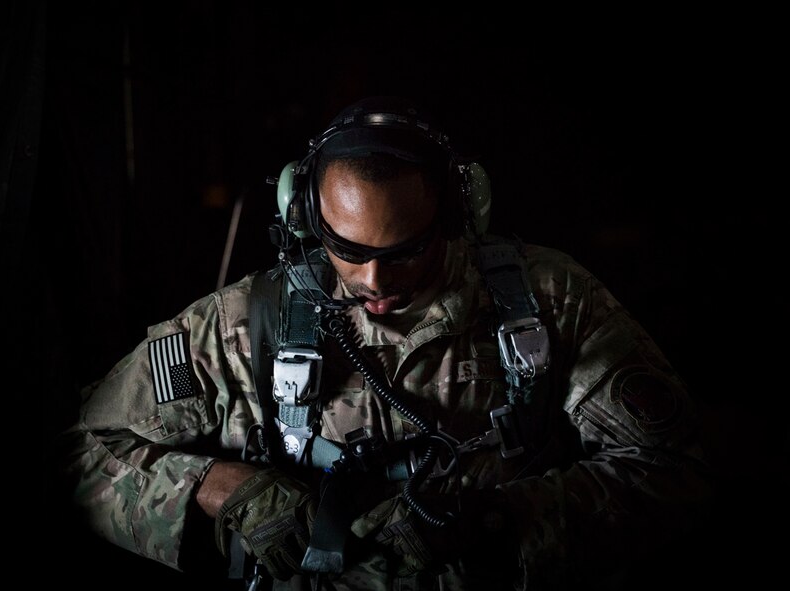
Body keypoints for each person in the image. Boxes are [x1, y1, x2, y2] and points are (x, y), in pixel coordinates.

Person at [56, 95, 713, 590]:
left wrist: (503, 520)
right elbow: (81, 453)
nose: (374, 281)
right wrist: (219, 489)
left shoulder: (547, 300)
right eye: (347, 249)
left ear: (455, 213)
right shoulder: (242, 324)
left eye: (404, 251)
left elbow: (676, 465)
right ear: (302, 217)